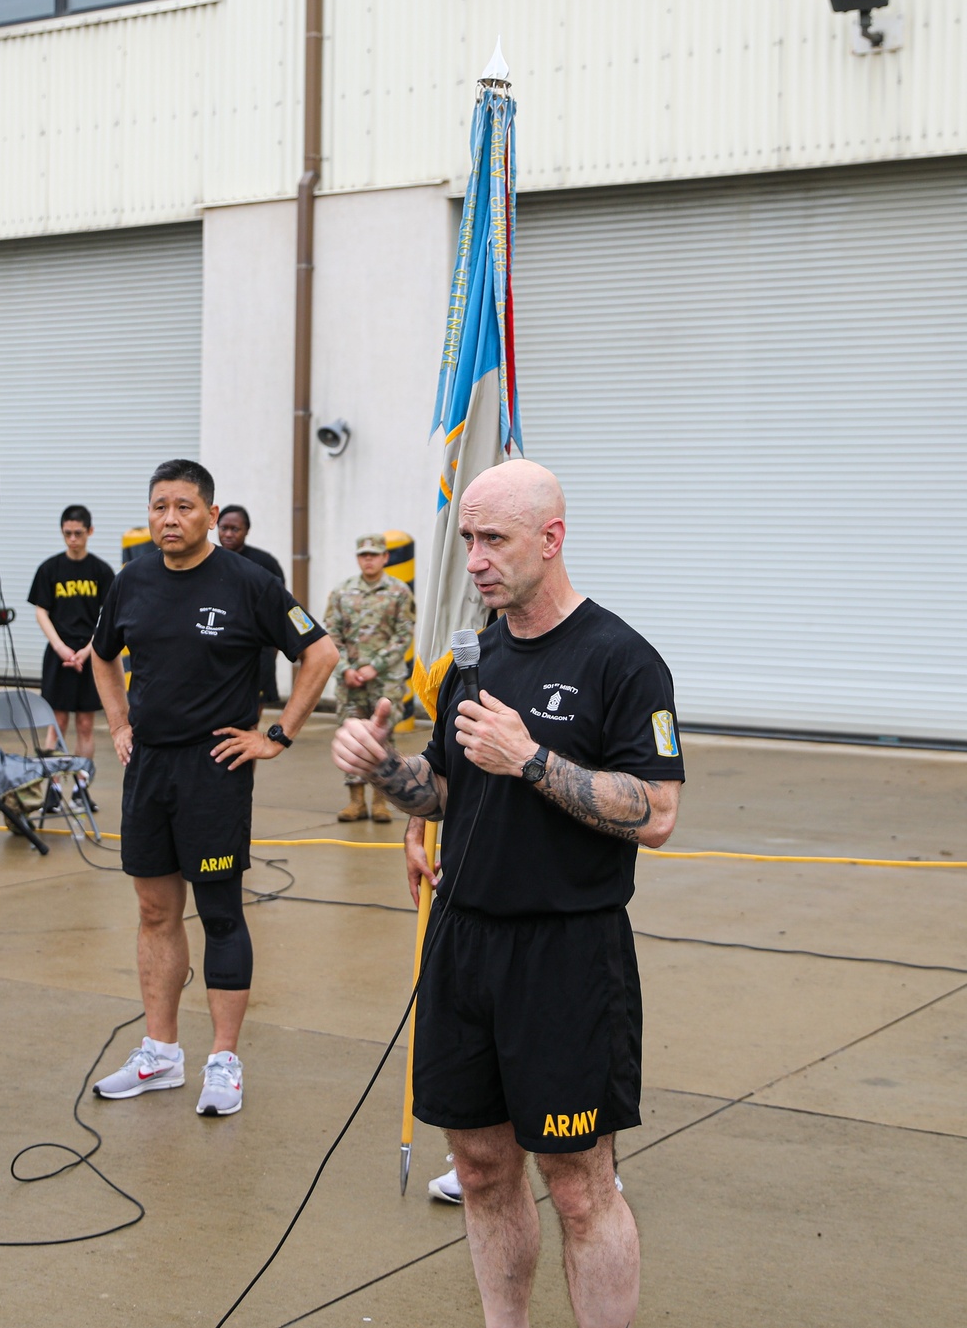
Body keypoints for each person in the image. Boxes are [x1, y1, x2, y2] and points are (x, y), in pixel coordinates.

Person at [333, 459, 684, 1326]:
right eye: (468, 540)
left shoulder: (622, 660)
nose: (477, 559)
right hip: (463, 944)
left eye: (494, 539)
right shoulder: (476, 655)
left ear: (551, 538)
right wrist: (387, 772)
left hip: (565, 955)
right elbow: (449, 786)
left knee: (577, 1187)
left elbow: (657, 812)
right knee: (484, 1169)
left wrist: (530, 758)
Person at [90, 459, 337, 1117]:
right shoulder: (131, 581)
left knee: (220, 912)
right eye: (160, 506)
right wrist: (118, 723)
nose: (170, 518)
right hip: (149, 768)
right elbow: (102, 655)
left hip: (215, 768)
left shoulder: (249, 583)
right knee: (153, 911)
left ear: (209, 513)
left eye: (185, 507)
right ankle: (160, 1053)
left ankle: (223, 1059)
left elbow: (320, 653)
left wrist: (277, 735)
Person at [27, 505, 116, 811]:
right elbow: (41, 611)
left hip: (89, 654)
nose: (73, 539)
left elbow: (109, 616)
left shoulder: (101, 571)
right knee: (57, 722)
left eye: (78, 533)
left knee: (86, 725)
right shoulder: (50, 569)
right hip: (59, 655)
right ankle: (52, 790)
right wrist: (60, 647)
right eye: (67, 533)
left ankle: (80, 788)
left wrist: (88, 650)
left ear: (90, 532)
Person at [324, 533, 415, 823]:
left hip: (385, 679)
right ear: (358, 557)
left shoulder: (399, 591)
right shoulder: (342, 592)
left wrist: (375, 666)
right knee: (352, 736)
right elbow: (331, 635)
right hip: (350, 681)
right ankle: (355, 802)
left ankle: (380, 801)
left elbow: (403, 635)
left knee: (382, 738)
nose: (369, 560)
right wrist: (345, 669)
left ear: (385, 557)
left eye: (374, 554)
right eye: (364, 555)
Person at [217, 503, 286, 714]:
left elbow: (279, 611)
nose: (228, 534)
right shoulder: (208, 560)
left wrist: (270, 652)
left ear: (246, 530)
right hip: (218, 644)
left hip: (257, 648)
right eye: (223, 528)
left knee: (252, 707)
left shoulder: (265, 563)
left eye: (234, 529)